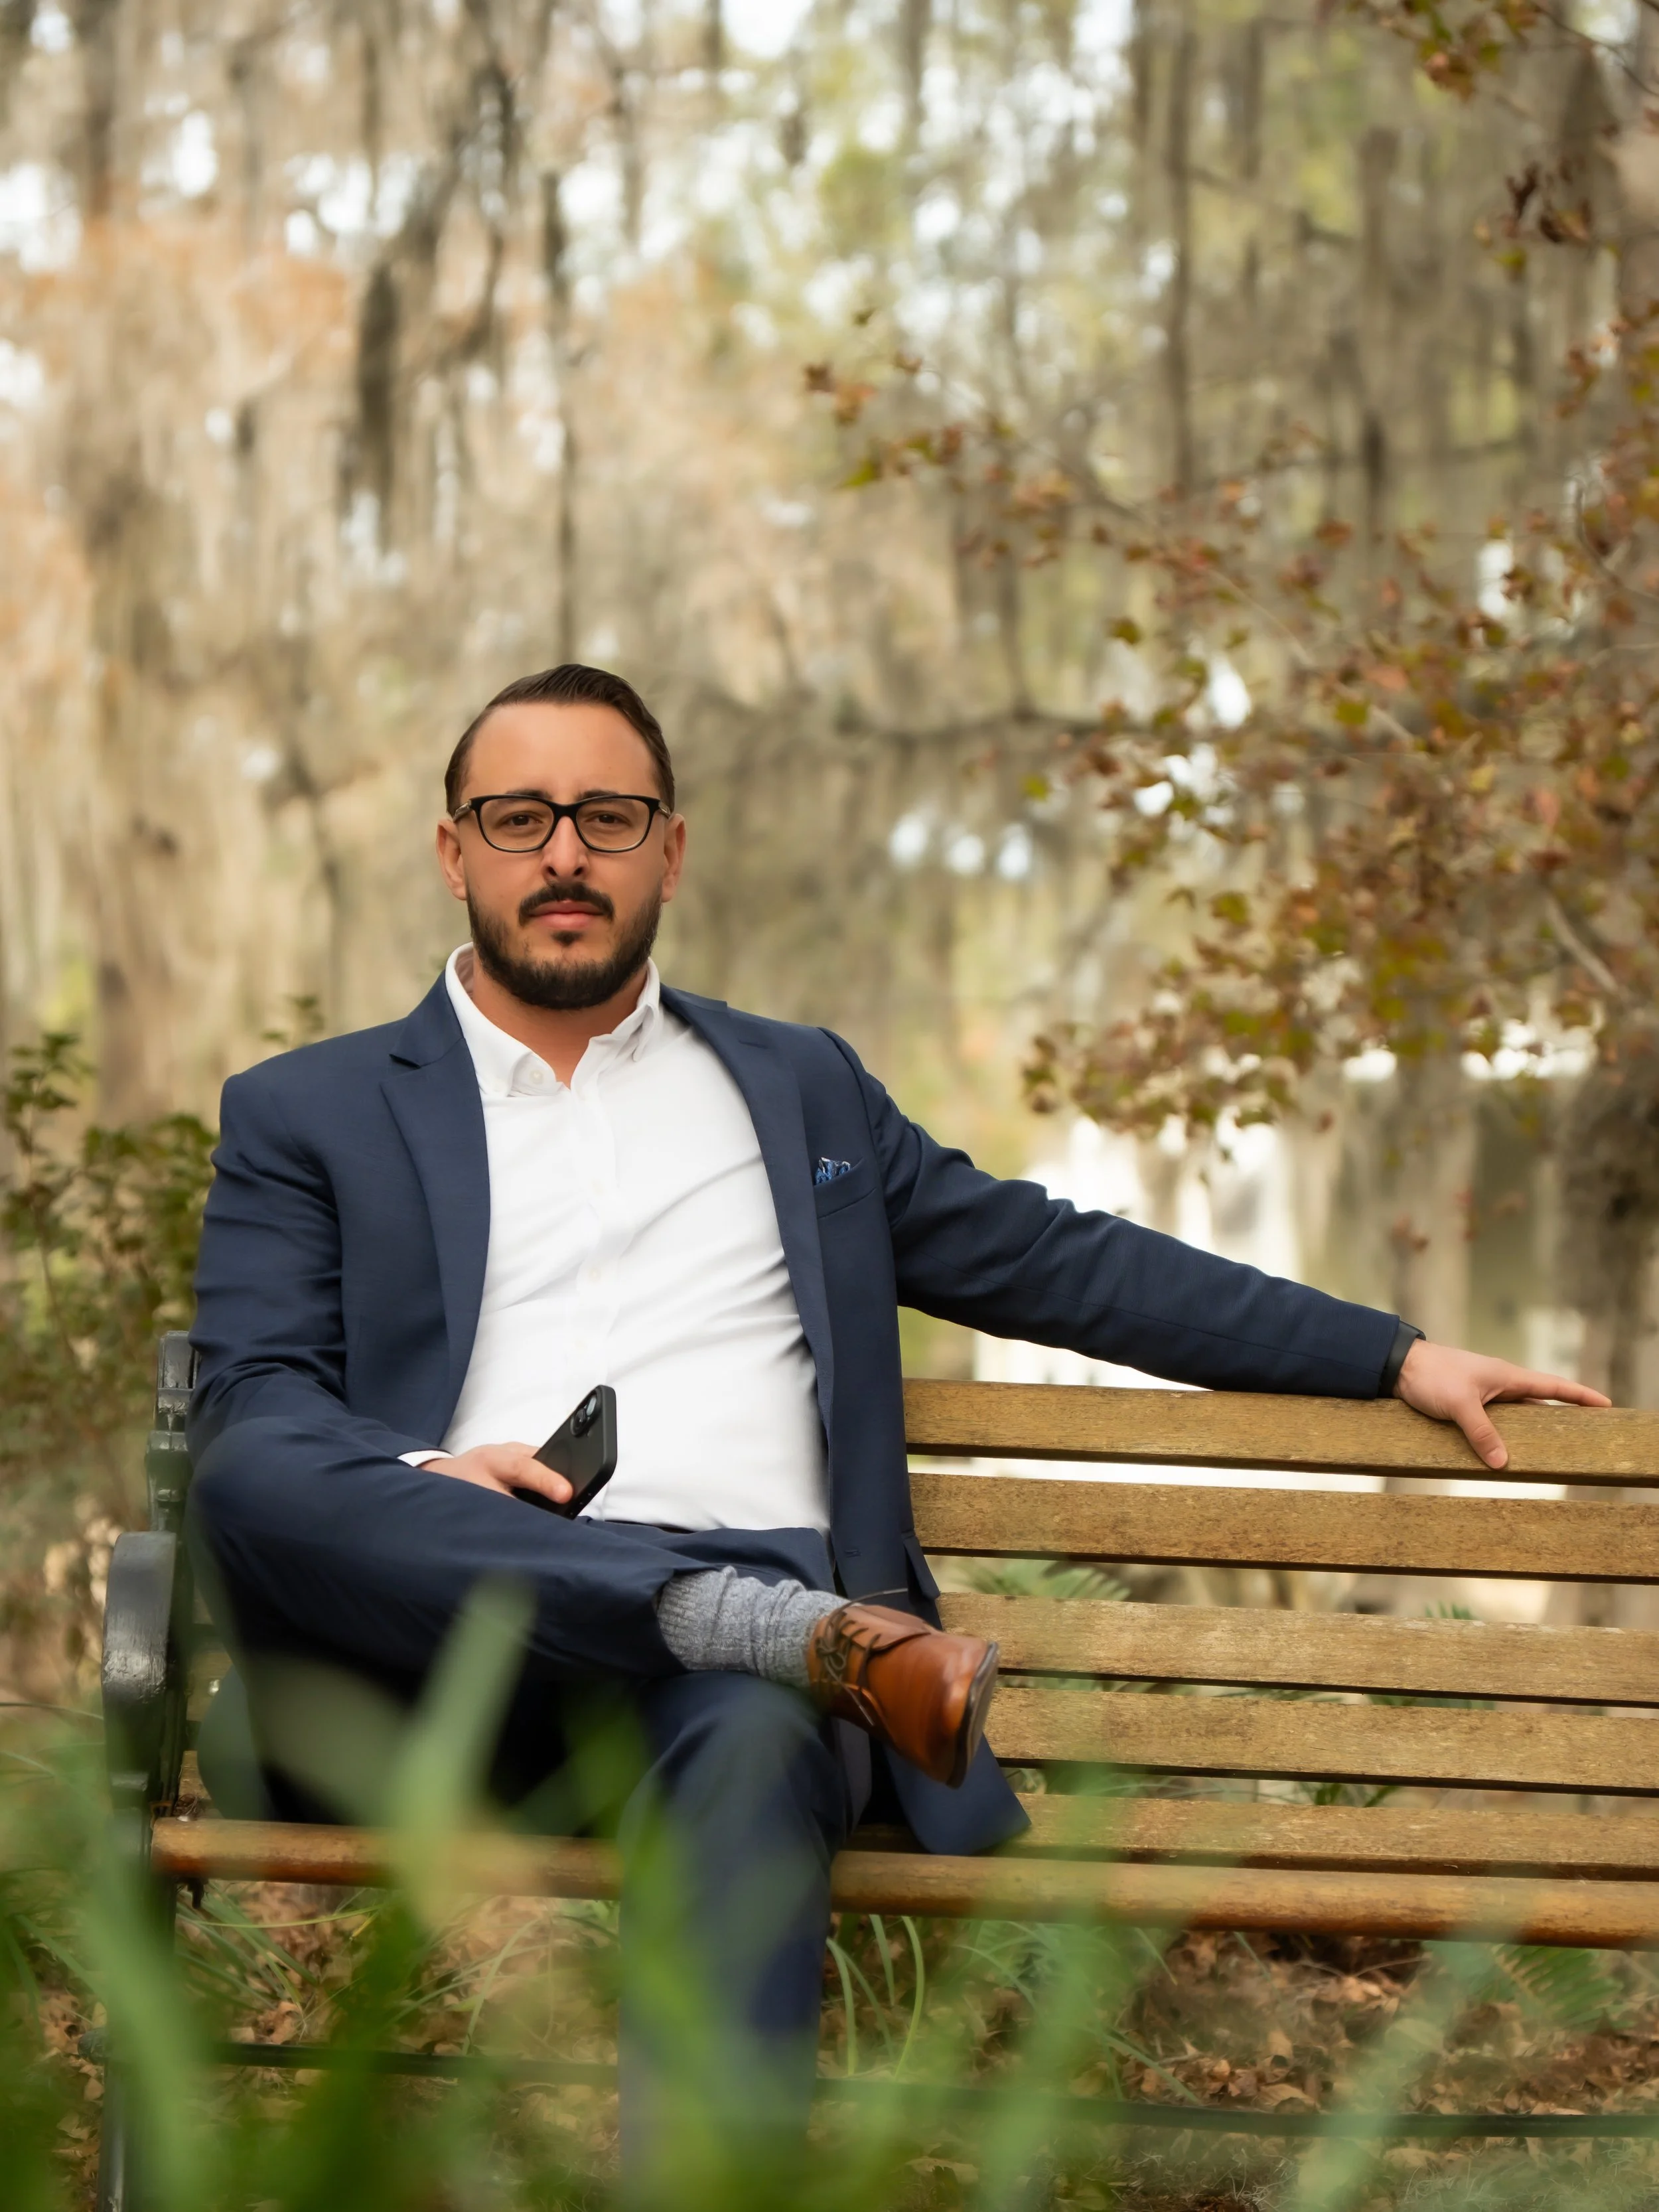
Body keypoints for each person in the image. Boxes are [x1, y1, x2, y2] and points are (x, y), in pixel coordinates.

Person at [186, 662, 1606, 2174]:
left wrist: (1385, 1353)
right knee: (254, 1461)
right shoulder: (309, 1112)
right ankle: (735, 1613)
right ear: (451, 847)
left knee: (745, 1723)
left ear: (669, 847)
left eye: (605, 816)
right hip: (429, 1676)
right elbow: (259, 1410)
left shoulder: (795, 1092)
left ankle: (745, 1660)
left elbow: (1059, 1259)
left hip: (737, 1713)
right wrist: (428, 1479)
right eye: (518, 815)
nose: (562, 855)